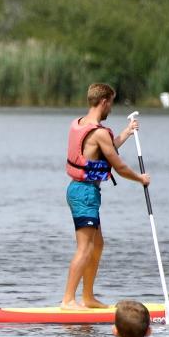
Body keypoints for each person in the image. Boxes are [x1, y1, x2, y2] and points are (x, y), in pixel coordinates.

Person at [60, 83, 147, 310]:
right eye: (111, 103)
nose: (111, 108)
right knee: (85, 248)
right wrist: (141, 179)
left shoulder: (80, 124)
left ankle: (87, 297)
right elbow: (119, 167)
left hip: (84, 191)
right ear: (104, 101)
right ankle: (68, 300)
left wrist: (126, 133)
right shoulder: (98, 132)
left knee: (97, 245)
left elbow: (104, 150)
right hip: (84, 192)